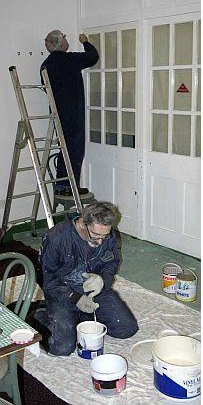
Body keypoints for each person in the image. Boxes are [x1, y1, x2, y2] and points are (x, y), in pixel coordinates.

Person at [38, 201, 138, 355]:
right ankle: (42, 314)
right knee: (63, 347)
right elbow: (48, 280)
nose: (100, 242)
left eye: (104, 236)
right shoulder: (55, 238)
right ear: (83, 224)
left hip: (94, 291)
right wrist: (74, 297)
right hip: (64, 293)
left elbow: (112, 262)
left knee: (126, 328)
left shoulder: (106, 234)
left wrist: (103, 280)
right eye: (96, 235)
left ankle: (81, 317)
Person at [40, 30, 99, 196]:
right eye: (64, 38)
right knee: (73, 149)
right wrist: (85, 42)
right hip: (72, 112)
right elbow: (92, 57)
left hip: (56, 112)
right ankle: (70, 187)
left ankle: (62, 185)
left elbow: (46, 87)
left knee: (63, 148)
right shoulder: (69, 60)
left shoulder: (45, 64)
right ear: (60, 43)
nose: (66, 40)